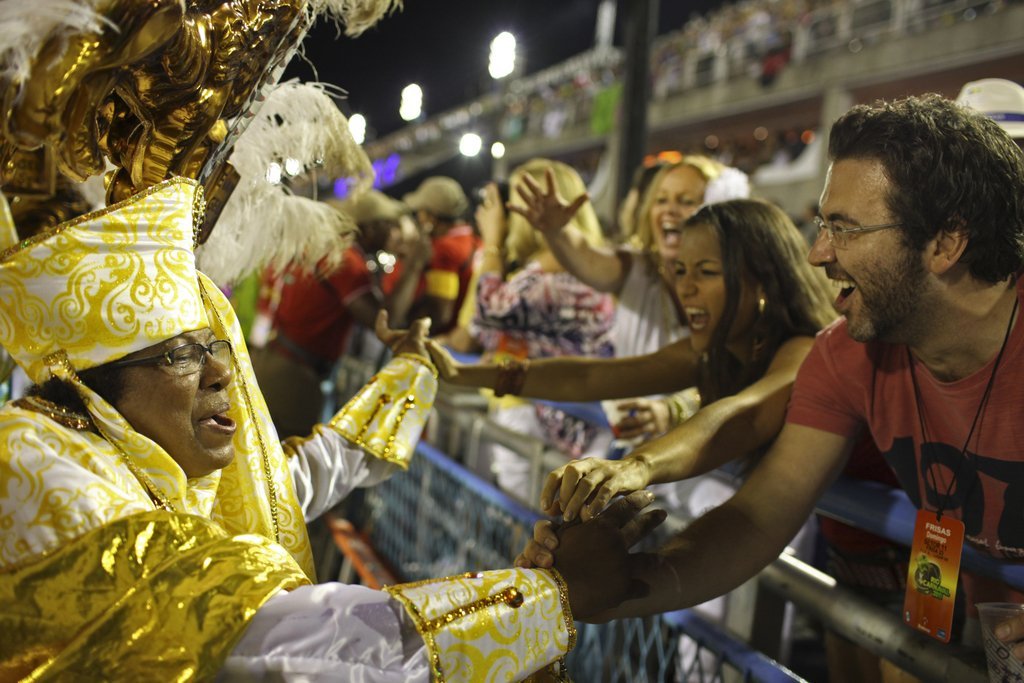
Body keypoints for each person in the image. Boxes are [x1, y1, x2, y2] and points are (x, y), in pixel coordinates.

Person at [0, 179, 665, 681]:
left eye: (214, 347)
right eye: (179, 354)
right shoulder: (33, 466)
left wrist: (410, 377)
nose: (221, 373)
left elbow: (282, 487)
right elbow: (282, 643)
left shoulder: (131, 447)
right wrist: (545, 597)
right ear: (92, 385)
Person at [523, 94, 1024, 662]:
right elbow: (760, 516)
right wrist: (615, 586)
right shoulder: (847, 353)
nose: (818, 253)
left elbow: (746, 418)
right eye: (822, 225)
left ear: (945, 243)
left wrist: (640, 467)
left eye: (844, 229)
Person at [532, 156, 750, 438]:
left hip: (711, 452)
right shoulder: (638, 269)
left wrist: (674, 410)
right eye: (661, 200)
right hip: (637, 446)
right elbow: (587, 259)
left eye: (686, 201)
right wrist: (557, 232)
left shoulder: (743, 287)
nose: (669, 210)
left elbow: (741, 376)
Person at [471, 158, 615, 497]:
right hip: (571, 425)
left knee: (521, 517)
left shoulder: (554, 269)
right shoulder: (587, 263)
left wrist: (492, 242)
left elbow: (485, 315)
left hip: (560, 426)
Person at [252, 190, 427, 437]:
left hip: (277, 360)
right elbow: (385, 322)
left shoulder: (328, 247)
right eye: (389, 226)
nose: (395, 233)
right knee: (283, 450)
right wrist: (413, 266)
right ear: (370, 228)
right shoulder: (346, 260)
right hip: (293, 377)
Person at [386, 176, 479, 335]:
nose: (418, 218)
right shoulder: (473, 239)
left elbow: (440, 312)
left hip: (444, 338)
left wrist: (408, 331)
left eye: (420, 212)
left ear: (432, 218)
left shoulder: (444, 249)